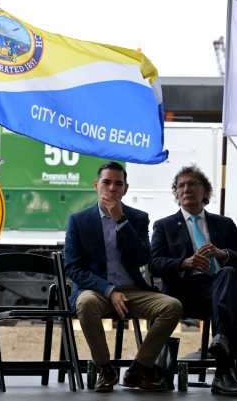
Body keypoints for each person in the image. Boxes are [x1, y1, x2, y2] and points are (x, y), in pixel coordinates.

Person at [64, 161, 182, 393]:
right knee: (85, 302)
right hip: (97, 291)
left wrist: (121, 221)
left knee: (172, 306)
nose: (112, 188)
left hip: (132, 290)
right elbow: (73, 267)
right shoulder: (79, 220)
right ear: (96, 185)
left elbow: (141, 257)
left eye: (118, 184)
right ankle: (105, 370)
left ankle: (138, 369)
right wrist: (109, 290)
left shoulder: (137, 218)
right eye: (106, 182)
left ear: (125, 189)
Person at [150, 165, 237, 396]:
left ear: (205, 191)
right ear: (176, 194)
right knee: (228, 306)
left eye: (193, 184)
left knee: (227, 274)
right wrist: (184, 263)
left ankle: (221, 342)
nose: (186, 188)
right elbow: (155, 263)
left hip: (219, 289)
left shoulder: (225, 224)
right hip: (182, 291)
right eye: (181, 185)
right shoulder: (164, 225)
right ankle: (224, 372)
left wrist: (224, 254)